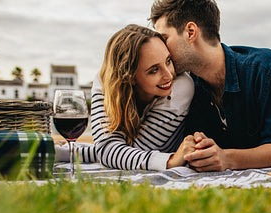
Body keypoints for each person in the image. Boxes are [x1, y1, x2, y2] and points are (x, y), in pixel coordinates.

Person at [149, 0, 271, 172]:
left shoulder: (266, 68)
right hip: (239, 138)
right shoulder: (188, 86)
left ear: (191, 32)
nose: (162, 49)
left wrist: (226, 159)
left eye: (164, 39)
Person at [58, 24, 196, 170]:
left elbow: (133, 151)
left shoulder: (180, 86)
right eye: (154, 70)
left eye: (168, 61)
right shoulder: (105, 81)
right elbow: (113, 153)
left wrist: (71, 152)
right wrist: (104, 150)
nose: (169, 75)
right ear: (130, 77)